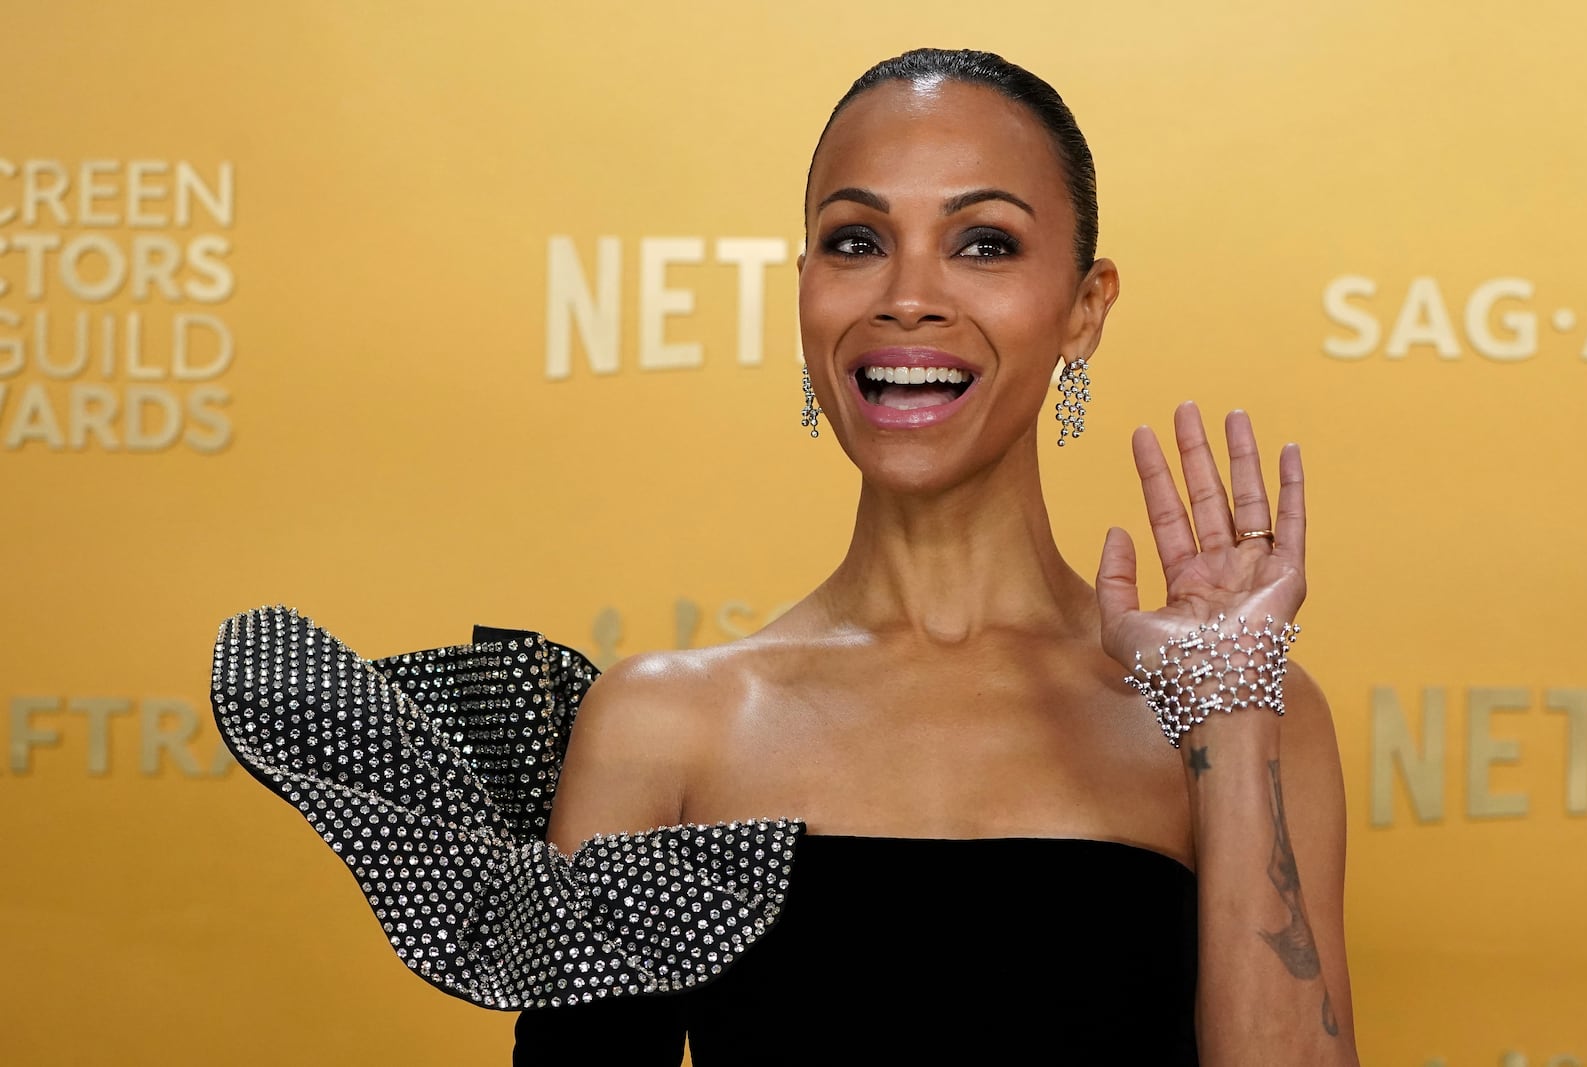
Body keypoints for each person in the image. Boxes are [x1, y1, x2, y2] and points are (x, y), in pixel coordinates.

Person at [212, 47, 1357, 1066]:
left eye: (983, 243)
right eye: (855, 241)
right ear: (804, 288)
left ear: (1083, 309)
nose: (908, 298)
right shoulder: (666, 722)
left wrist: (1228, 715)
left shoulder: (1238, 707)